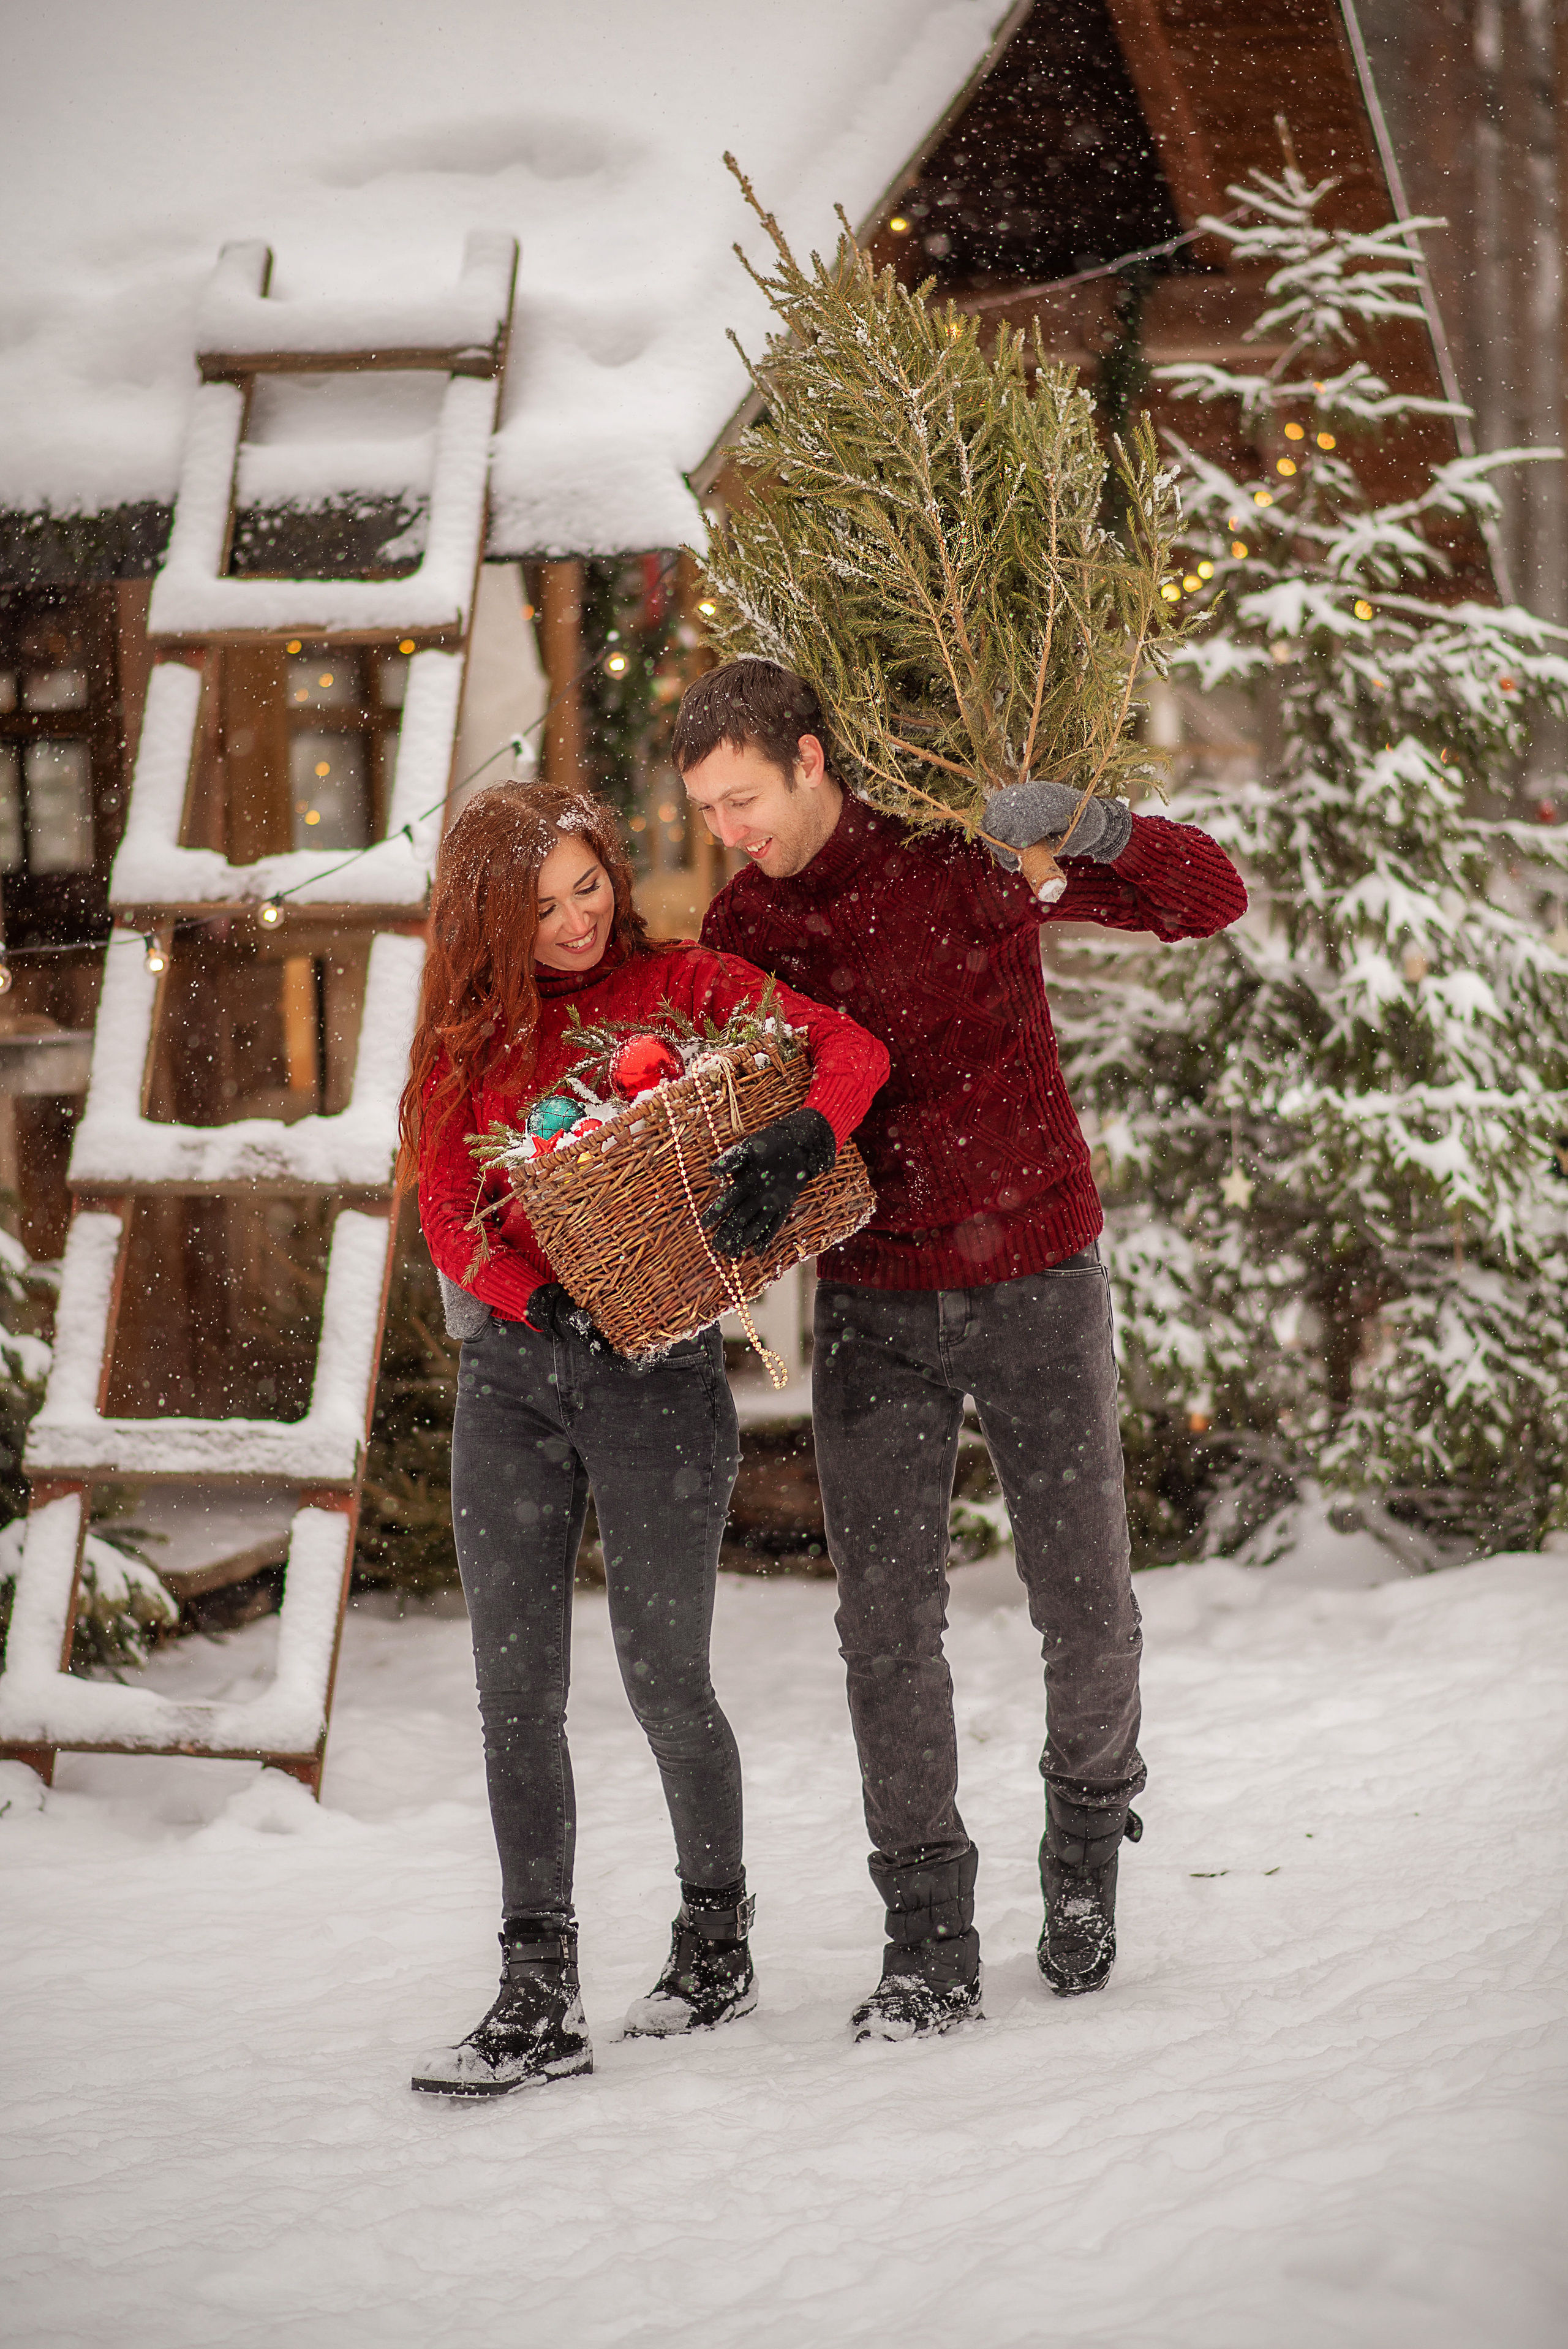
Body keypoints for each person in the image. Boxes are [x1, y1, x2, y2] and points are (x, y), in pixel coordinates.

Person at [677, 659, 1247, 2041]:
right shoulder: (745, 924)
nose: (728, 829)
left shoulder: (966, 846)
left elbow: (1206, 900)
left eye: (741, 797)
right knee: (882, 1628)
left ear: (812, 758)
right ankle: (924, 1929)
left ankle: (1084, 1855)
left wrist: (1094, 828)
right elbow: (740, 1092)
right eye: (705, 808)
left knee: (1082, 1598)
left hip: (1036, 1272)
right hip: (875, 1295)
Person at [402, 777, 889, 2095]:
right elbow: (451, 1217)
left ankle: (714, 1939)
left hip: (655, 1379)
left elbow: (851, 1051)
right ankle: (534, 1990)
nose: (573, 922)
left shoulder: (683, 988)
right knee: (515, 1700)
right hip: (511, 1381)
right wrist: (536, 1297)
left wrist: (803, 1134)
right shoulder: (466, 1038)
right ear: (486, 915)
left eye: (587, 887)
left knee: (662, 1678)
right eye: (540, 903)